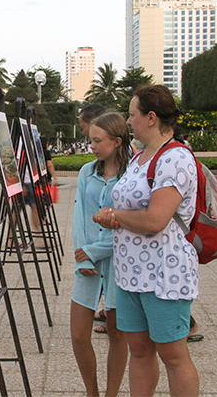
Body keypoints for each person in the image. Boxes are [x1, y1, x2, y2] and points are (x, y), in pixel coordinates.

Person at [94, 84, 200, 397]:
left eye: (132, 115)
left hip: (164, 275)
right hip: (131, 274)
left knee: (173, 354)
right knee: (139, 350)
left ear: (151, 118)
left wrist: (115, 216)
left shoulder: (175, 158)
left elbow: (156, 220)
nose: (128, 122)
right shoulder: (141, 156)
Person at [71, 112, 129, 396]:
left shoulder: (133, 176)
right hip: (87, 262)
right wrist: (84, 255)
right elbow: (80, 218)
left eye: (97, 140)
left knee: (118, 335)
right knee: (79, 335)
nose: (91, 146)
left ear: (117, 142)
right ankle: (92, 392)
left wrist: (92, 251)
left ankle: (111, 394)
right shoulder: (86, 173)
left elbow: (127, 226)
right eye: (90, 140)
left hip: (121, 264)